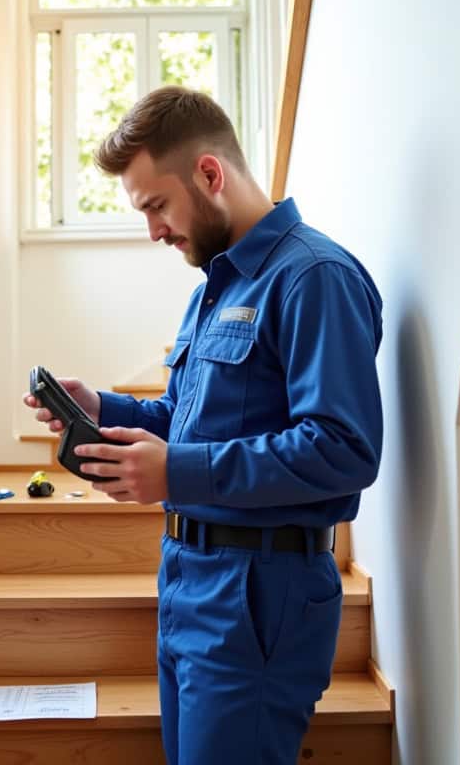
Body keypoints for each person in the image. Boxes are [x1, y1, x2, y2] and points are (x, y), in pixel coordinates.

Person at [22, 85, 383, 765]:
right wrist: (102, 408)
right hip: (189, 581)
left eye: (156, 205)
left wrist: (175, 470)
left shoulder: (314, 277)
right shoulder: (211, 291)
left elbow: (344, 449)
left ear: (210, 175)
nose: (154, 230)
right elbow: (185, 421)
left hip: (259, 596)